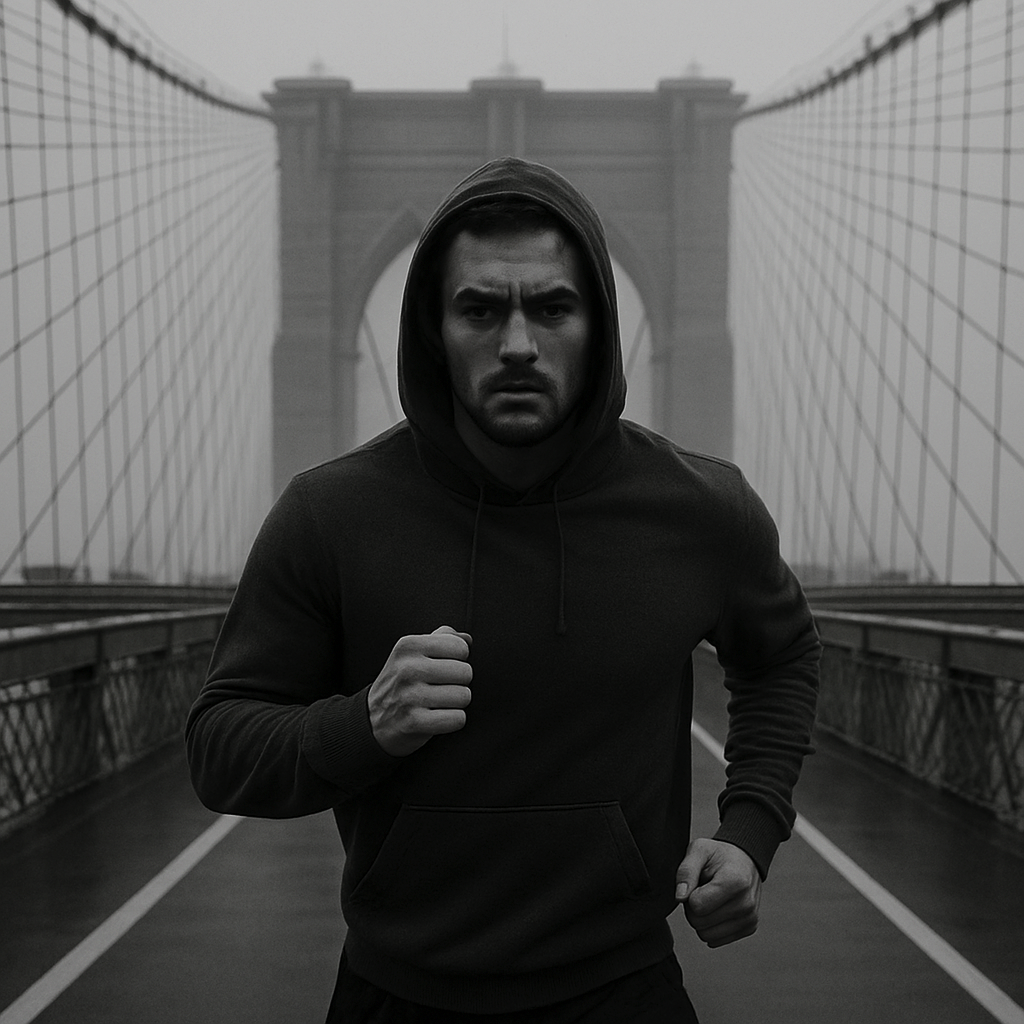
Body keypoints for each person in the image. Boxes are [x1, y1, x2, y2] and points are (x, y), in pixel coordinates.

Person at [185, 156, 820, 1022]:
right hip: (394, 994)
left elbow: (781, 654)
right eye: (480, 308)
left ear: (599, 324)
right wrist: (361, 723)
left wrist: (750, 834)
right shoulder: (330, 513)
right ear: (431, 329)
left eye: (552, 307)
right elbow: (219, 747)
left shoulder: (701, 511)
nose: (517, 343)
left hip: (623, 991)